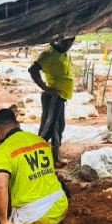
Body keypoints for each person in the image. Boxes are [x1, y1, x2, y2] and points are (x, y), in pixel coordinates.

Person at [0, 108, 68, 224]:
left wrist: (4, 221)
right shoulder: (40, 141)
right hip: (60, 205)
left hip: (36, 216)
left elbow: (0, 188)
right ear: (18, 124)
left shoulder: (3, 152)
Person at [28, 37, 75, 166]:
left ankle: (55, 159)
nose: (67, 45)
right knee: (47, 129)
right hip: (53, 97)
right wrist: (45, 88)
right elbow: (32, 70)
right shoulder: (48, 54)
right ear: (58, 40)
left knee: (59, 127)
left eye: (70, 43)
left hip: (61, 97)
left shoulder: (63, 53)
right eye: (65, 42)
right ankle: (34, 158)